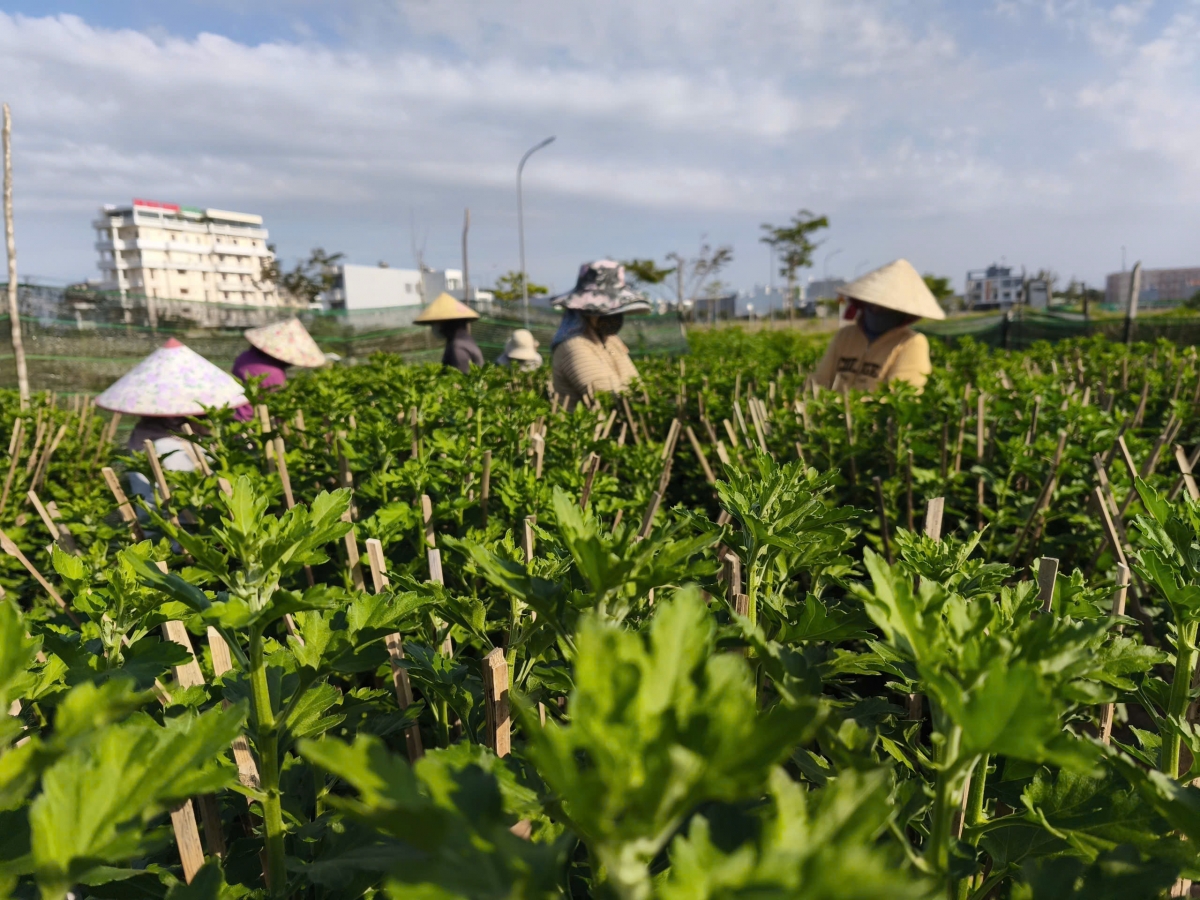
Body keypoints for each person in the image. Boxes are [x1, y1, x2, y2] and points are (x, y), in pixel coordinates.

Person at [95, 337, 249, 502]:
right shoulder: (169, 447)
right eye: (204, 415)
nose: (211, 421)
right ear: (182, 417)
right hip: (177, 521)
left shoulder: (145, 431)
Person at [811, 258, 945, 393]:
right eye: (873, 304)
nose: (876, 310)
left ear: (901, 312)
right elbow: (820, 380)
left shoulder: (911, 343)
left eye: (885, 307)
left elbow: (901, 396)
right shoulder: (846, 335)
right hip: (833, 411)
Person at [550, 260, 650, 409]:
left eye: (618, 311)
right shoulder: (573, 346)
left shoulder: (610, 341)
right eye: (606, 312)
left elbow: (635, 385)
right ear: (586, 312)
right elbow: (607, 398)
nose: (614, 317)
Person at [232, 318, 325, 420]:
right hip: (252, 419)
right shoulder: (273, 374)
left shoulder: (245, 357)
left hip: (233, 412)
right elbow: (278, 406)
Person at [414, 293, 484, 374]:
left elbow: (460, 380)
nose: (434, 327)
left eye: (435, 323)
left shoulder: (458, 347)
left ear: (448, 323)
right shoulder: (463, 340)